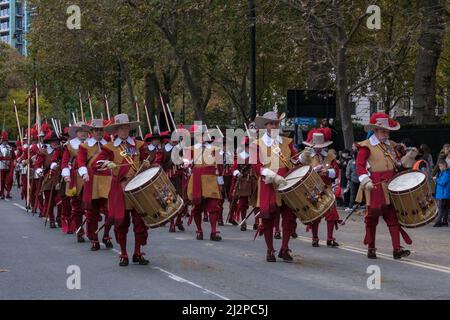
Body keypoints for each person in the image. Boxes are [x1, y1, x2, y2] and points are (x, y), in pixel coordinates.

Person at [356, 112, 416, 259]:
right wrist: (366, 181)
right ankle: (371, 248)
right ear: (375, 130)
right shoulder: (366, 146)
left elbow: (398, 164)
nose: (386, 134)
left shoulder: (392, 146)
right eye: (383, 131)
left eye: (387, 131)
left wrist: (409, 156)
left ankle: (397, 249)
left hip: (391, 185)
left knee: (393, 218)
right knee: (372, 218)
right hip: (375, 186)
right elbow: (359, 166)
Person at [94, 114, 151, 266]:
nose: (124, 131)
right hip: (120, 188)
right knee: (122, 222)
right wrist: (107, 164)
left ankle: (138, 253)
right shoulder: (109, 147)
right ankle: (124, 254)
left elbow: (150, 159)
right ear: (116, 131)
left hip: (138, 187)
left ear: (129, 129)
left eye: (126, 128)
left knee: (140, 222)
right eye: (121, 128)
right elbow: (96, 165)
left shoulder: (139, 144)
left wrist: (147, 164)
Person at [251, 111, 298, 262]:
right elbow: (255, 165)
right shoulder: (256, 144)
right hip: (269, 183)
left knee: (289, 217)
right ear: (266, 126)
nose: (274, 126)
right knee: (268, 219)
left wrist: (303, 158)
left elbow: (294, 160)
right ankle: (270, 249)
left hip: (286, 183)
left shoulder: (287, 142)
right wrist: (269, 174)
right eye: (271, 124)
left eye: (276, 123)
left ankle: (284, 248)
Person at [299, 129, 340, 247]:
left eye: (320, 146)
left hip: (327, 188)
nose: (318, 148)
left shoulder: (329, 156)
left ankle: (330, 238)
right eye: (316, 146)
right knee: (315, 214)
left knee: (331, 213)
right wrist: (314, 171)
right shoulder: (307, 156)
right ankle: (315, 237)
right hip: (314, 189)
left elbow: (336, 171)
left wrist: (327, 171)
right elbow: (300, 168)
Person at [77, 119, 114, 250]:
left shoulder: (110, 145)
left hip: (107, 180)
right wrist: (84, 173)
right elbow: (80, 163)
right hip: (91, 180)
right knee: (92, 213)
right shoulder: (84, 146)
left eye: (101, 130)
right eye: (96, 130)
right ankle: (94, 238)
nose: (99, 132)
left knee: (111, 212)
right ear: (91, 132)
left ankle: (106, 234)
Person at [184, 124, 223, 241]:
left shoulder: (215, 148)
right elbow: (185, 165)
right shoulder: (190, 149)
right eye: (199, 135)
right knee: (197, 207)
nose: (202, 136)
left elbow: (219, 165)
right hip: (196, 180)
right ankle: (199, 230)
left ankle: (213, 231)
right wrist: (187, 164)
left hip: (210, 179)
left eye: (203, 134)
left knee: (213, 206)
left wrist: (220, 179)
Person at [61, 122, 89, 242]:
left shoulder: (93, 144)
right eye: (80, 130)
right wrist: (66, 175)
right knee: (77, 206)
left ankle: (91, 231)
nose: (83, 133)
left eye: (84, 130)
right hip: (75, 177)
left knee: (91, 206)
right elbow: (64, 162)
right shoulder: (70, 146)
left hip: (91, 176)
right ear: (76, 133)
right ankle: (79, 230)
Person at [433, 159, 450, 227]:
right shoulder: (444, 173)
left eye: (440, 166)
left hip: (443, 194)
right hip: (444, 194)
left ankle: (438, 221)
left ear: (444, 165)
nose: (439, 168)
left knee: (441, 208)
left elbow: (443, 182)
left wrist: (436, 180)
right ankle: (444, 221)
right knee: (445, 208)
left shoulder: (447, 173)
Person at [0, 131, 14, 199]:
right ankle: (2, 193)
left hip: (9, 166)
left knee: (9, 180)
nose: (4, 141)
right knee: (2, 181)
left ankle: (8, 192)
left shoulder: (10, 147)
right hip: (1, 165)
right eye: (3, 140)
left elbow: (13, 156)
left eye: (5, 140)